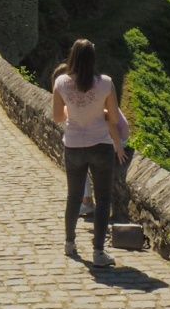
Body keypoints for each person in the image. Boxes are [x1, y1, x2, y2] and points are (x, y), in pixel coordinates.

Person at [51, 38, 125, 267]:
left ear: (72, 57)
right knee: (103, 199)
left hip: (73, 145)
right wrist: (97, 110)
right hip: (100, 145)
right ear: (93, 60)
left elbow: (58, 117)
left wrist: (72, 109)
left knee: (73, 197)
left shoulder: (61, 82)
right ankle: (98, 252)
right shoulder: (105, 83)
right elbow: (113, 118)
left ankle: (70, 243)